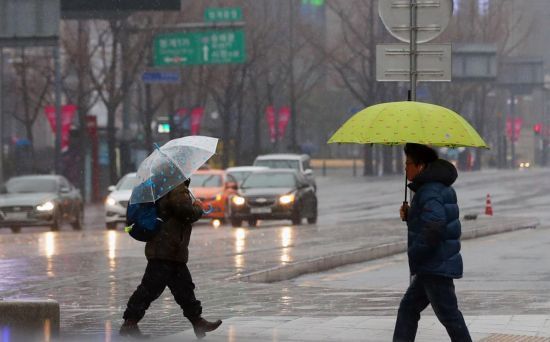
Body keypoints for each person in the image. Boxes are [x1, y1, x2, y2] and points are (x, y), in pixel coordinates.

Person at [120, 178, 222, 339]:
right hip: (166, 247)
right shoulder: (175, 185)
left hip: (170, 248)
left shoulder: (165, 183)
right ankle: (129, 323)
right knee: (150, 288)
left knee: (184, 287)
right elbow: (185, 212)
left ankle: (197, 322)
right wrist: (198, 207)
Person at [393, 143, 471, 342]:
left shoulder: (429, 191)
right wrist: (411, 215)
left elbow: (435, 225)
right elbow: (433, 219)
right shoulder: (436, 188)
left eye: (408, 163)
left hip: (434, 266)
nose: (405, 168)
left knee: (450, 317)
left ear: (420, 166)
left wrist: (417, 252)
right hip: (433, 265)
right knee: (409, 309)